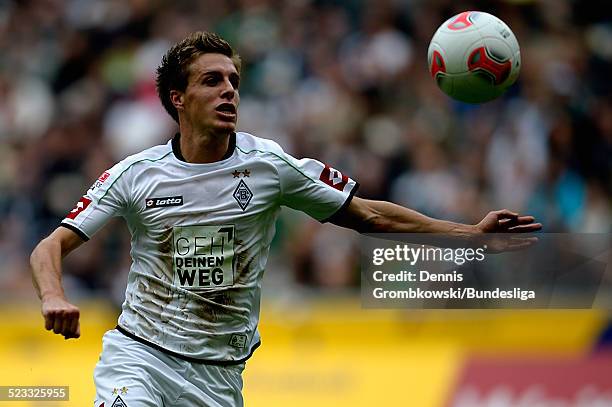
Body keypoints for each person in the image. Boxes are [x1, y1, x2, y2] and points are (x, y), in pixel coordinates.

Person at [30, 31, 541, 407]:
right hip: (140, 356)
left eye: (233, 80)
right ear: (178, 100)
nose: (229, 90)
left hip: (219, 376)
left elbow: (367, 216)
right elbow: (48, 246)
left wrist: (468, 233)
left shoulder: (270, 166)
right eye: (212, 81)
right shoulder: (136, 174)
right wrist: (53, 295)